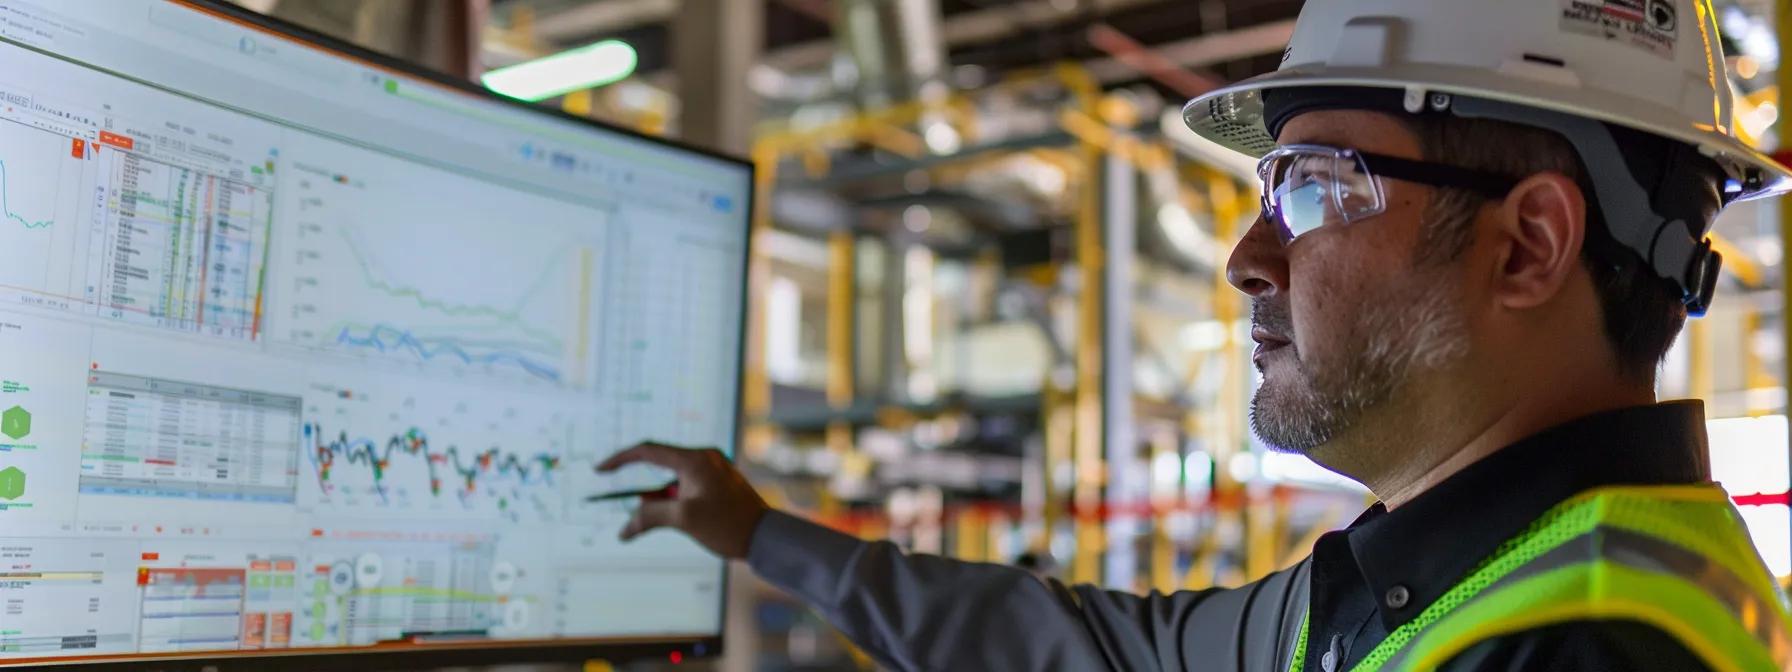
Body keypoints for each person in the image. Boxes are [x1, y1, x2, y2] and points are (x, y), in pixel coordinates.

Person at [599, 0, 1792, 669]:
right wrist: (762, 535)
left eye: (1315, 189)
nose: (1247, 258)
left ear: (1528, 245)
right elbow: (1108, 653)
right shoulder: (1450, 579)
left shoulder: (1580, 652)